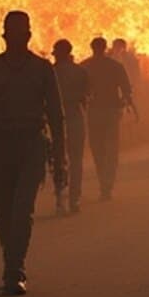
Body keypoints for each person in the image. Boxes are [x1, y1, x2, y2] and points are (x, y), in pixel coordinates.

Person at [0, 10, 65, 295]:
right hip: (1, 146)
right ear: (5, 35)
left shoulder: (43, 68)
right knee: (3, 214)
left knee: (23, 210)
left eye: (24, 32)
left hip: (32, 144)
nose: (20, 37)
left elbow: (57, 116)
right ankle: (12, 256)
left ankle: (14, 268)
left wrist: (60, 157)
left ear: (30, 35)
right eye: (14, 32)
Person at [82, 36, 133, 199]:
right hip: (110, 111)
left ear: (92, 47)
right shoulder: (115, 66)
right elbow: (126, 89)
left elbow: (79, 91)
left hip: (95, 112)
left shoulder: (84, 66)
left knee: (98, 148)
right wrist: (126, 104)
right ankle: (107, 185)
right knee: (110, 148)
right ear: (105, 48)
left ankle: (104, 183)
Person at [51, 38, 92, 215]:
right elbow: (88, 95)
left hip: (55, 119)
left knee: (58, 159)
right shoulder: (81, 71)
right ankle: (74, 198)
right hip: (75, 115)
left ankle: (61, 198)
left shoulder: (51, 72)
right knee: (76, 160)